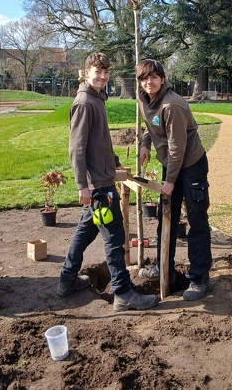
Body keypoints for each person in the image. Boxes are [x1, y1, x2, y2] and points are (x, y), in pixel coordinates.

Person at [57, 52, 159, 312]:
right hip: (97, 185)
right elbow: (76, 149)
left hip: (102, 177)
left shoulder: (96, 97)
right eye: (97, 71)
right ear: (86, 72)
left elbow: (99, 141)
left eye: (105, 72)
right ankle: (124, 294)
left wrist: (113, 161)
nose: (102, 76)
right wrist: (83, 185)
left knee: (86, 231)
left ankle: (66, 281)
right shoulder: (84, 102)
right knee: (115, 238)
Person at [136, 59, 212, 301]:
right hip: (171, 163)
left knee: (196, 218)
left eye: (154, 77)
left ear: (163, 78)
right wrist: (145, 144)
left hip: (190, 165)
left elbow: (177, 149)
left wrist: (169, 182)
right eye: (144, 78)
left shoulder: (173, 106)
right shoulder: (144, 98)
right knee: (164, 216)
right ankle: (163, 267)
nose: (149, 82)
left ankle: (199, 277)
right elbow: (151, 124)